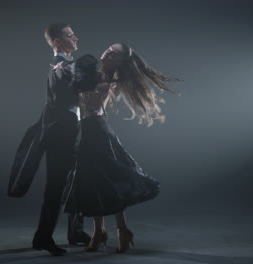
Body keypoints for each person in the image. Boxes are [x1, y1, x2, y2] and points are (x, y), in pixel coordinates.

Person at [62, 43, 180, 253]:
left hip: (97, 130)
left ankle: (121, 229)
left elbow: (87, 89)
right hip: (87, 130)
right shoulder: (94, 73)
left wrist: (66, 70)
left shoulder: (110, 78)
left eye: (114, 53)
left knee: (111, 179)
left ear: (120, 62)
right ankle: (100, 232)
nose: (107, 52)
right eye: (108, 49)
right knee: (93, 181)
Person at [8, 23, 96, 256]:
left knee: (76, 181)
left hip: (72, 129)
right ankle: (43, 237)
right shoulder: (61, 66)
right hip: (60, 133)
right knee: (56, 185)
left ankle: (75, 232)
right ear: (57, 42)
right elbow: (73, 85)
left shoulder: (63, 64)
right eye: (69, 35)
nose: (75, 37)